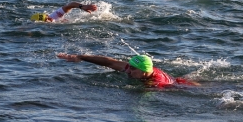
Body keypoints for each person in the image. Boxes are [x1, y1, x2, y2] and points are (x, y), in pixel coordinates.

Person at [57, 53, 198, 88]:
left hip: (179, 85)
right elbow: (109, 62)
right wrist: (80, 57)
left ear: (144, 71)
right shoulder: (137, 69)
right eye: (129, 67)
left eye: (133, 69)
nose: (128, 71)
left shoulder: (157, 84)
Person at [30, 1, 97, 22]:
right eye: (45, 20)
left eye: (47, 17)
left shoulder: (54, 15)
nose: (48, 19)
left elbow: (70, 5)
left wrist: (82, 6)